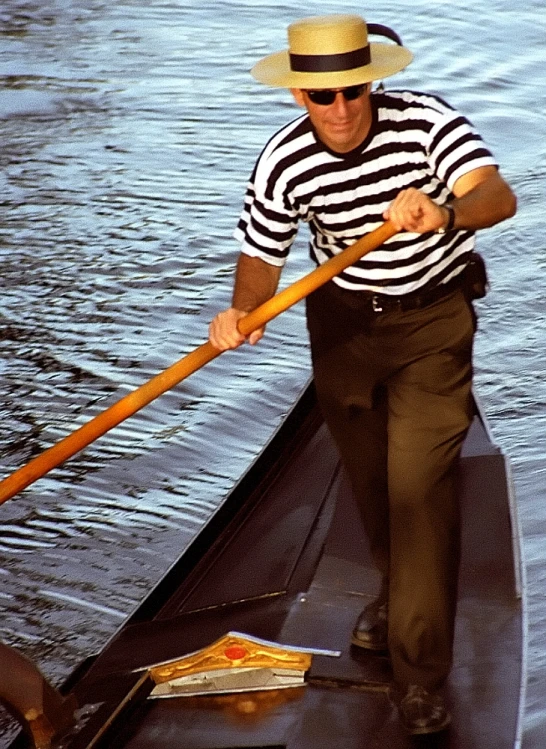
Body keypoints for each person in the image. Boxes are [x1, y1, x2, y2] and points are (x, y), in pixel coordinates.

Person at [209, 13, 516, 735]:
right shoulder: (282, 160)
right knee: (374, 483)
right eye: (324, 97)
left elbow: (496, 197)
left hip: (432, 325)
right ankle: (393, 591)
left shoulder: (428, 123)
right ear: (298, 97)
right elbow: (262, 255)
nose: (341, 109)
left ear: (372, 80)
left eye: (353, 90)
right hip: (343, 329)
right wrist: (242, 312)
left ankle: (419, 674)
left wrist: (442, 211)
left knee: (419, 492)